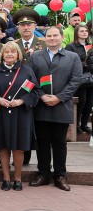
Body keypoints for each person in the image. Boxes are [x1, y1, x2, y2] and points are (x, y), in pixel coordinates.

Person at [28, 26, 82, 191]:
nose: (52, 38)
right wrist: (42, 96)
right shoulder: (35, 57)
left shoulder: (72, 57)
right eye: (49, 36)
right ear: (45, 38)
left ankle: (60, 175)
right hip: (41, 106)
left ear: (61, 37)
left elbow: (75, 80)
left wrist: (59, 97)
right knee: (42, 142)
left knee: (59, 143)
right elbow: (30, 80)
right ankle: (43, 173)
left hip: (61, 106)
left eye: (55, 35)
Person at [0, 42, 39, 191]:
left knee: (19, 148)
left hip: (21, 113)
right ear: (2, 54)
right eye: (7, 52)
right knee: (3, 147)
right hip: (1, 114)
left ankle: (18, 179)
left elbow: (36, 92)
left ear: (18, 54)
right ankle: (5, 178)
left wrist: (22, 101)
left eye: (13, 52)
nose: (10, 54)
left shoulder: (27, 71)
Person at [66, 23, 93, 134]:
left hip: (90, 77)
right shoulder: (71, 47)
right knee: (82, 101)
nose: (84, 33)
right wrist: (83, 63)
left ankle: (84, 124)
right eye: (81, 31)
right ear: (77, 33)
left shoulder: (90, 46)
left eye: (86, 31)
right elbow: (70, 62)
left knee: (89, 103)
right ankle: (76, 125)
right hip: (79, 78)